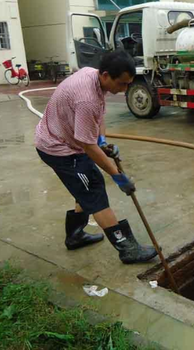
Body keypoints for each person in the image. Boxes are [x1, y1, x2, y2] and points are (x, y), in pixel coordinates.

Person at [35, 50, 158, 264]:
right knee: (93, 191)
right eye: (122, 84)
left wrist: (102, 140)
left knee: (85, 185)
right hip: (59, 148)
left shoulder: (92, 76)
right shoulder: (86, 99)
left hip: (68, 140)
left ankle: (75, 236)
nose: (124, 89)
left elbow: (98, 114)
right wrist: (118, 176)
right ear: (106, 75)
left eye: (128, 84)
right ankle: (127, 249)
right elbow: (86, 144)